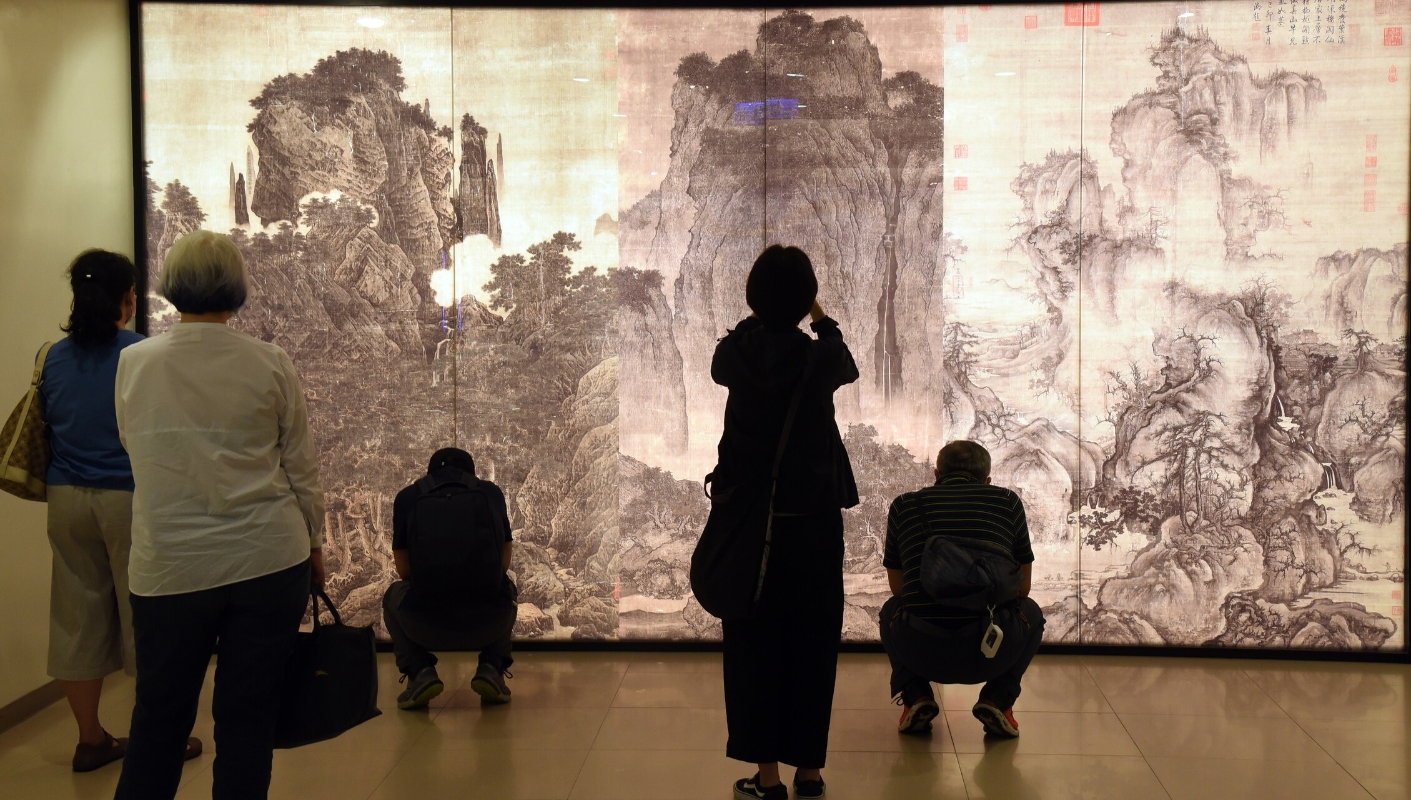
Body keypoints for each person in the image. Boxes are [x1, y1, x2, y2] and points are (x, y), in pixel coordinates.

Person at [112, 230, 326, 800]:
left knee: (158, 718)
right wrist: (314, 543)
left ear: (171, 285)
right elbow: (301, 467)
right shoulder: (270, 362)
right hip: (267, 558)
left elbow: (135, 446)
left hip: (170, 566)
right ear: (237, 288)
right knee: (248, 720)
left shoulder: (135, 363)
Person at [36, 250, 202, 773]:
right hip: (129, 500)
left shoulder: (50, 357)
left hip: (65, 500)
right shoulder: (143, 354)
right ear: (129, 298)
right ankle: (162, 739)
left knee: (76, 617)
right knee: (147, 620)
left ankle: (90, 740)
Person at [712, 245, 859, 800]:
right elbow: (845, 360)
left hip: (751, 527)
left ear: (753, 299)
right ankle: (810, 773)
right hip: (814, 526)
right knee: (813, 645)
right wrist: (816, 315)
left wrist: (762, 315)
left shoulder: (734, 356)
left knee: (752, 647)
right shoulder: (820, 358)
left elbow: (726, 351)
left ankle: (768, 778)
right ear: (806, 300)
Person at [879, 440, 1045, 739]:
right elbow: (1023, 589)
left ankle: (916, 696)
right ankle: (998, 699)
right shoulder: (1007, 502)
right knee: (1031, 612)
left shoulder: (905, 505)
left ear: (936, 474)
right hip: (991, 648)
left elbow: (898, 588)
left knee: (891, 610)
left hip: (921, 647)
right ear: (987, 480)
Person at [382, 447, 518, 709]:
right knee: (507, 587)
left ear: (430, 472)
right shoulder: (490, 493)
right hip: (488, 622)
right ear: (471, 472)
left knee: (391, 596)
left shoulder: (408, 497)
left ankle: (420, 672)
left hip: (425, 625)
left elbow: (404, 571)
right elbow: (503, 564)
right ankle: (491, 667)